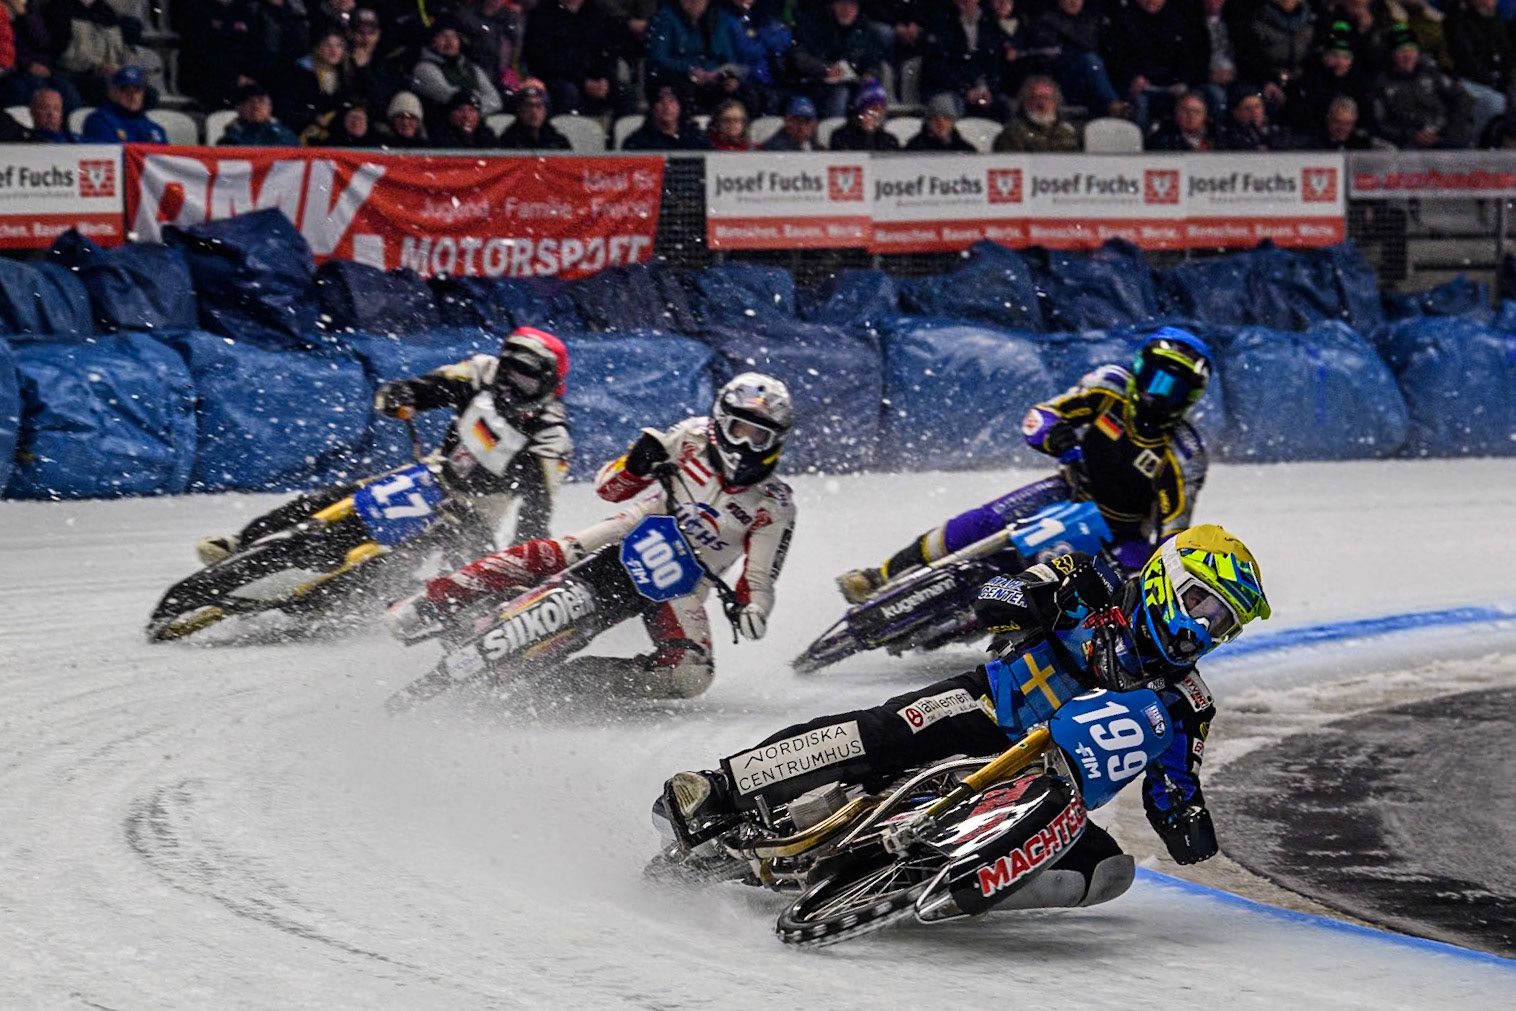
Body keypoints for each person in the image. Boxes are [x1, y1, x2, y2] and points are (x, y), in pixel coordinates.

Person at [659, 525, 1272, 900]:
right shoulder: (1089, 580)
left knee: (1109, 871)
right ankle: (718, 787)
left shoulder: (1189, 703)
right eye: (1202, 604)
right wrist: (1026, 600)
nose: (1203, 629)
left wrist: (1188, 819)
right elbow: (990, 590)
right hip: (984, 709)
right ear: (1168, 577)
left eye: (1222, 624)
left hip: (1047, 795)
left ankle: (940, 883)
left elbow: (1174, 783)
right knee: (881, 733)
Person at [385, 372, 798, 699]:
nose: (746, 444)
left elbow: (759, 580)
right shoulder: (686, 436)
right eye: (740, 429)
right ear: (720, 423)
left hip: (684, 583)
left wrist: (753, 610)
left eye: (759, 435)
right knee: (556, 551)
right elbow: (608, 488)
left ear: (775, 441)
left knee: (691, 674)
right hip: (634, 529)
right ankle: (428, 602)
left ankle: (565, 689)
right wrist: (636, 466)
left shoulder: (774, 503)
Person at [837, 327, 1212, 603]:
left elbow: (1172, 534)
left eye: (1173, 389)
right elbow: (1040, 417)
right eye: (1154, 380)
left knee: (1123, 583)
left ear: (1190, 397)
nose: (1158, 396)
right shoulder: (1108, 386)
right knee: (976, 524)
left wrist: (1145, 572)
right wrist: (1062, 442)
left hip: (1121, 532)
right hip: (1067, 491)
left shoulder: (1183, 453)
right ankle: (880, 575)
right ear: (1138, 370)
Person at [196, 327, 573, 567]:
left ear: (548, 384)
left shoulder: (552, 438)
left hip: (481, 507)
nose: (510, 383)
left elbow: (537, 511)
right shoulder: (480, 371)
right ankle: (241, 542)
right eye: (508, 370)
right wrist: (400, 394)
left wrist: (523, 563)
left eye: (523, 379)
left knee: (457, 569)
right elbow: (430, 388)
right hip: (434, 472)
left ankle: (402, 603)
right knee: (329, 498)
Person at [523, 0, 638, 119]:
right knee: (568, 93)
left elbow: (608, 51)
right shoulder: (542, 14)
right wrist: (583, 82)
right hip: (560, 79)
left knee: (626, 93)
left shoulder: (596, 13)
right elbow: (543, 61)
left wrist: (605, 79)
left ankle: (614, 136)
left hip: (593, 80)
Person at [1372, 23, 1474, 149]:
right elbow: (1379, 123)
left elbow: (1463, 99)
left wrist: (1449, 133)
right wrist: (1410, 135)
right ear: (1392, 54)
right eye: (1401, 51)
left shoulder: (1431, 70)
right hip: (1406, 143)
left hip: (1443, 136)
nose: (1408, 56)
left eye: (1411, 49)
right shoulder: (1382, 83)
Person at [792, 0, 888, 119]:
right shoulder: (813, 25)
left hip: (853, 84)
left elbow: (873, 60)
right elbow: (800, 58)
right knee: (840, 94)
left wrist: (869, 73)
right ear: (832, 5)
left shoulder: (865, 29)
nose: (847, 10)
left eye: (852, 5)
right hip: (816, 84)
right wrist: (826, 69)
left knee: (874, 94)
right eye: (842, 4)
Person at [411, 15, 503, 121]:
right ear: (433, 41)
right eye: (443, 36)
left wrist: (472, 112)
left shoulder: (471, 68)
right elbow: (452, 98)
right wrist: (475, 105)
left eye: (454, 36)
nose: (450, 42)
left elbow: (495, 100)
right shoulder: (424, 69)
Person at [79, 65, 165, 143]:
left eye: (137, 89)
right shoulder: (99, 121)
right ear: (112, 92)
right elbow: (109, 156)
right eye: (125, 89)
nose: (132, 95)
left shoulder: (154, 128)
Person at [993, 75, 1079, 151]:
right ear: (1025, 103)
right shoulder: (1012, 134)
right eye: (1035, 98)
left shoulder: (1066, 134)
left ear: (1055, 103)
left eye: (1046, 98)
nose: (1041, 104)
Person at [621, 83, 711, 149]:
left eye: (671, 101)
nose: (667, 107)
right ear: (652, 107)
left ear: (680, 106)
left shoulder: (696, 138)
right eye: (660, 101)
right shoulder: (637, 142)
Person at [496, 78, 574, 149]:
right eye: (528, 106)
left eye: (538, 106)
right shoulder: (508, 141)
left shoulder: (558, 142)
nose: (534, 111)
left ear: (546, 110)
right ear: (519, 109)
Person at [217, 82, 301, 145]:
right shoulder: (232, 137)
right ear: (239, 108)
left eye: (261, 102)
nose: (256, 107)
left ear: (270, 108)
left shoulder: (283, 133)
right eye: (250, 102)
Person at [828, 80, 900, 149]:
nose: (878, 114)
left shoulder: (890, 140)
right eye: (874, 108)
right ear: (861, 110)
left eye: (882, 108)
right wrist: (867, 133)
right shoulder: (841, 137)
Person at [1215, 88, 1292, 150]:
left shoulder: (1278, 130)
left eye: (1257, 106)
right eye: (1247, 108)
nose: (1254, 111)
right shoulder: (1228, 134)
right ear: (1236, 113)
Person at [909, 92, 978, 151]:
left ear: (952, 122)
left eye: (946, 119)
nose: (941, 123)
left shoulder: (965, 149)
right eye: (936, 119)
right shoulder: (914, 148)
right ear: (928, 122)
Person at [1146, 88, 1213, 149]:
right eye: (1185, 110)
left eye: (1196, 111)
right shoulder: (1162, 138)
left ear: (1205, 115)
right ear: (1177, 113)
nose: (1191, 115)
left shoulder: (1215, 136)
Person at [431, 88, 499, 147]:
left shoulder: (487, 136)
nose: (466, 116)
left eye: (471, 110)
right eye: (460, 110)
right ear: (450, 114)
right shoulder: (439, 139)